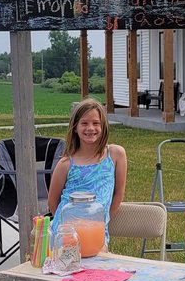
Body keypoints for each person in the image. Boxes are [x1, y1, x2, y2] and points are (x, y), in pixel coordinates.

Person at [48, 98, 127, 245]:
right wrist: (67, 224)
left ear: (103, 126)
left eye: (96, 123)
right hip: (65, 233)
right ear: (75, 127)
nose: (90, 128)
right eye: (84, 123)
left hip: (96, 230)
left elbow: (118, 194)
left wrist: (103, 219)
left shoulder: (116, 155)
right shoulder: (65, 164)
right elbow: (53, 203)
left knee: (97, 264)